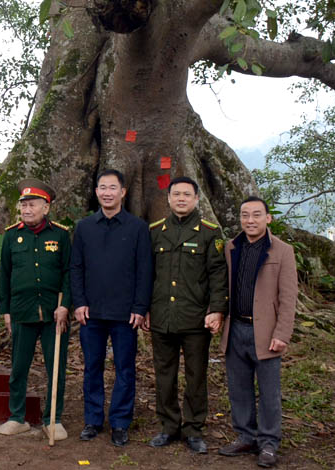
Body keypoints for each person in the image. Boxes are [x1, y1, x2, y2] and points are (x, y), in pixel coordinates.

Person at [146, 177, 228, 454]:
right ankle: (168, 426)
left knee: (196, 376)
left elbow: (218, 275)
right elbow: (148, 275)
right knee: (164, 375)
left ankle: (193, 428)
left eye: (187, 195)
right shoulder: (156, 231)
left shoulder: (208, 232)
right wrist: (145, 308)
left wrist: (216, 310)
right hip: (162, 317)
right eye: (176, 194)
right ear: (168, 199)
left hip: (195, 319)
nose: (181, 199)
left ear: (196, 199)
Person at [71, 169, 152, 447]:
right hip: (91, 313)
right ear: (96, 192)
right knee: (92, 367)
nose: (107, 192)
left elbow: (145, 270)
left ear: (123, 192)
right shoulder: (84, 227)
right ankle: (93, 420)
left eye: (112, 188)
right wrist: (79, 302)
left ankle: (120, 422)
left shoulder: (138, 228)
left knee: (124, 369)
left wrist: (140, 307)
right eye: (102, 187)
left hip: (125, 314)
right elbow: (76, 268)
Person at [217, 196, 298, 468]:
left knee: (269, 391)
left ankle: (268, 443)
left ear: (268, 218)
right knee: (239, 389)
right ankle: (245, 436)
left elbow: (288, 298)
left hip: (265, 331)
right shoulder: (231, 247)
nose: (250, 220)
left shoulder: (282, 251)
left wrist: (282, 333)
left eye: (256, 215)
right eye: (245, 215)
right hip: (236, 327)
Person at [0, 179, 71, 441]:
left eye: (32, 205)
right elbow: (4, 275)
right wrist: (5, 310)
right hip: (21, 311)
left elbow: (68, 274)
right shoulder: (11, 235)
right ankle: (17, 417)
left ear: (46, 208)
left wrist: (65, 306)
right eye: (23, 206)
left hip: (54, 314)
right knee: (19, 366)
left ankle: (53, 419)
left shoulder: (60, 235)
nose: (26, 210)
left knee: (56, 366)